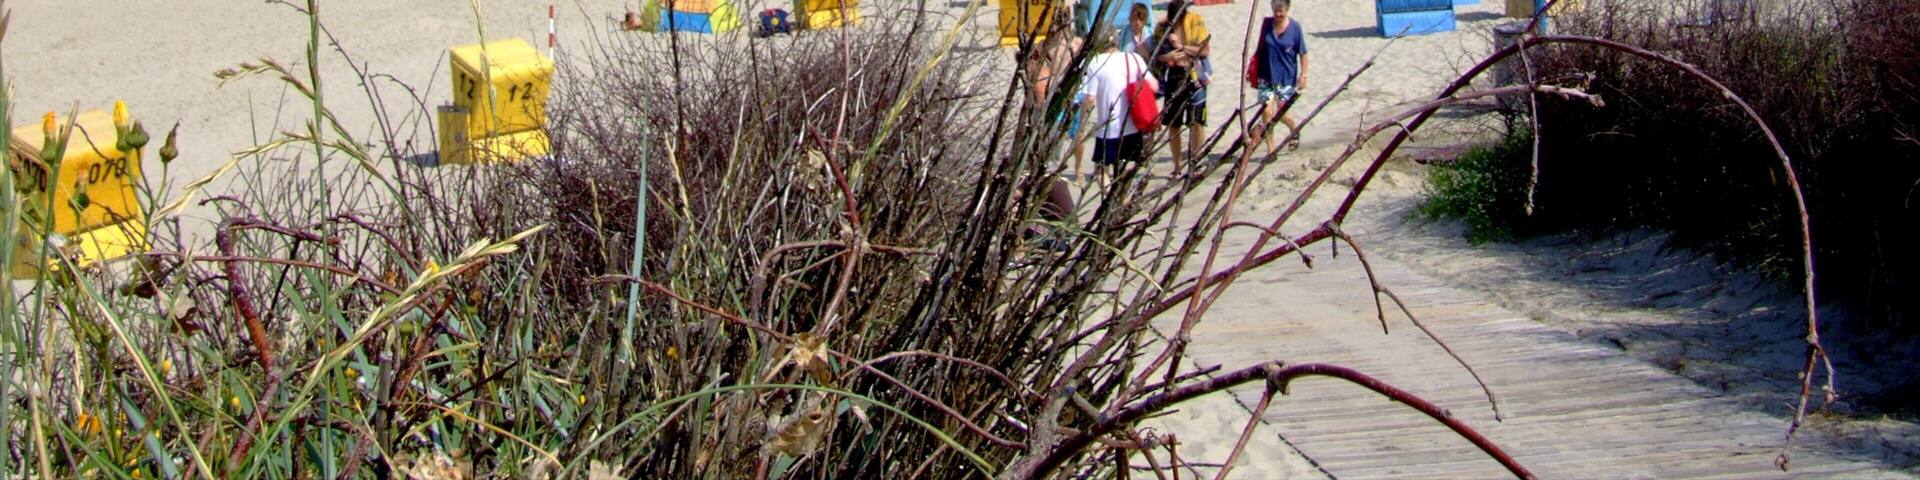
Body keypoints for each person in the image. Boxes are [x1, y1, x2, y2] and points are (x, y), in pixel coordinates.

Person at [1077, 25, 1159, 182]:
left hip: (1108, 127)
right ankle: (1121, 201)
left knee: (1101, 170)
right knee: (1126, 168)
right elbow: (1154, 86)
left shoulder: (1096, 62)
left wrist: (1083, 123)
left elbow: (1089, 99)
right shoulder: (1134, 58)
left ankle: (1109, 200)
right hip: (1133, 124)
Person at [1243, 0, 1310, 162]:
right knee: (1266, 113)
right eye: (1275, 11)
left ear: (1287, 10)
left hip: (1286, 76)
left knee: (1281, 112)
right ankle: (1270, 150)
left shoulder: (1295, 28)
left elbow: (1303, 53)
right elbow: (1260, 49)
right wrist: (1251, 70)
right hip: (1266, 75)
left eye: (1281, 11)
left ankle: (1294, 129)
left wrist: (1304, 75)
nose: (1278, 14)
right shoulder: (1266, 24)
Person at [1153, 0, 1211, 174]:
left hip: (1194, 75)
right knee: (1173, 124)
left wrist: (1181, 47)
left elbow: (1205, 50)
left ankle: (1196, 159)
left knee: (1197, 121)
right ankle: (1177, 166)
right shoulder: (1162, 27)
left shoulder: (1196, 21)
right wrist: (1167, 56)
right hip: (1174, 76)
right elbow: (1156, 54)